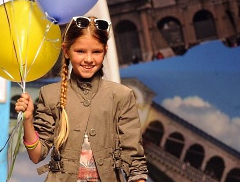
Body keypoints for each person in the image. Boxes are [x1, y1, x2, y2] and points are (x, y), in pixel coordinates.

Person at [15, 16, 148, 182]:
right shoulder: (49, 95)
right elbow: (36, 156)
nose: (89, 59)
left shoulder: (121, 95)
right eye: (80, 51)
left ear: (105, 51)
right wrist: (28, 119)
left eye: (97, 52)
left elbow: (135, 162)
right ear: (66, 50)